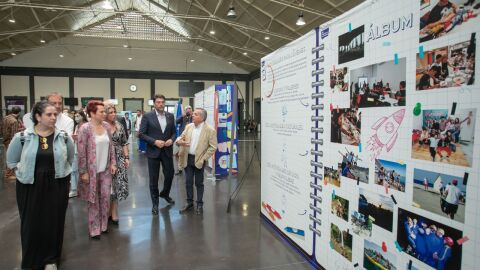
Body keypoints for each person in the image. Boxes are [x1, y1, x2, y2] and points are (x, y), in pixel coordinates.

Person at [6, 101, 74, 270]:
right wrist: (23, 173)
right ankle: (31, 261)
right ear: (37, 116)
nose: (53, 118)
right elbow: (12, 161)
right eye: (48, 114)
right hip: (30, 185)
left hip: (58, 183)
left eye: (55, 115)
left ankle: (51, 259)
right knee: (31, 222)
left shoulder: (63, 137)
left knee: (55, 222)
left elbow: (70, 159)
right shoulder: (22, 137)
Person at [77, 100, 117, 239]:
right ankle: (94, 228)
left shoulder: (106, 126)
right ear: (92, 113)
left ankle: (103, 225)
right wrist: (83, 171)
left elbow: (111, 146)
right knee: (93, 200)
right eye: (101, 111)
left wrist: (113, 163)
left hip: (105, 169)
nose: (104, 114)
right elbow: (81, 152)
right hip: (91, 171)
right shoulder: (84, 129)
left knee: (105, 198)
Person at [139, 94, 176, 215]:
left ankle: (165, 193)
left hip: (167, 151)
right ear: (154, 104)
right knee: (153, 179)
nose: (161, 104)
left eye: (163, 102)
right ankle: (155, 203)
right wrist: (154, 142)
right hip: (153, 152)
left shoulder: (170, 116)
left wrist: (172, 139)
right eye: (158, 102)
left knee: (170, 175)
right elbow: (141, 134)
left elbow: (174, 132)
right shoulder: (147, 116)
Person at [176, 108, 217, 214]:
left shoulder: (210, 130)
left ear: (202, 118)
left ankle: (199, 204)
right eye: (193, 113)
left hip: (199, 160)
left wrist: (203, 159)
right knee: (188, 182)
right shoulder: (189, 126)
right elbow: (181, 137)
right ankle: (189, 203)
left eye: (195, 114)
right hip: (187, 158)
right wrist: (179, 141)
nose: (192, 115)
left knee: (199, 183)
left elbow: (213, 147)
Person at [104, 104, 129, 225]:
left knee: (117, 186)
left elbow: (124, 142)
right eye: (110, 112)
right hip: (106, 158)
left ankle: (114, 211)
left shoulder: (119, 126)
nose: (113, 114)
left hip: (119, 158)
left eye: (114, 112)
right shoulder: (102, 127)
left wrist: (126, 157)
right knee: (107, 186)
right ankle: (106, 211)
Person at [69, 110, 88, 198]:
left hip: (85, 152)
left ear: (82, 116)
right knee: (73, 170)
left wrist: (80, 138)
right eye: (75, 116)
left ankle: (85, 189)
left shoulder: (87, 126)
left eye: (78, 116)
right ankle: (74, 189)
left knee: (85, 171)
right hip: (76, 150)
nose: (76, 118)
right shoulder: (76, 126)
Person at [3, 106, 22, 180]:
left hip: (5, 139)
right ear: (19, 112)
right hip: (10, 141)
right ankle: (8, 174)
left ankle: (10, 172)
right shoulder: (14, 121)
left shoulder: (6, 118)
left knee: (7, 156)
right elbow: (14, 135)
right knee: (11, 156)